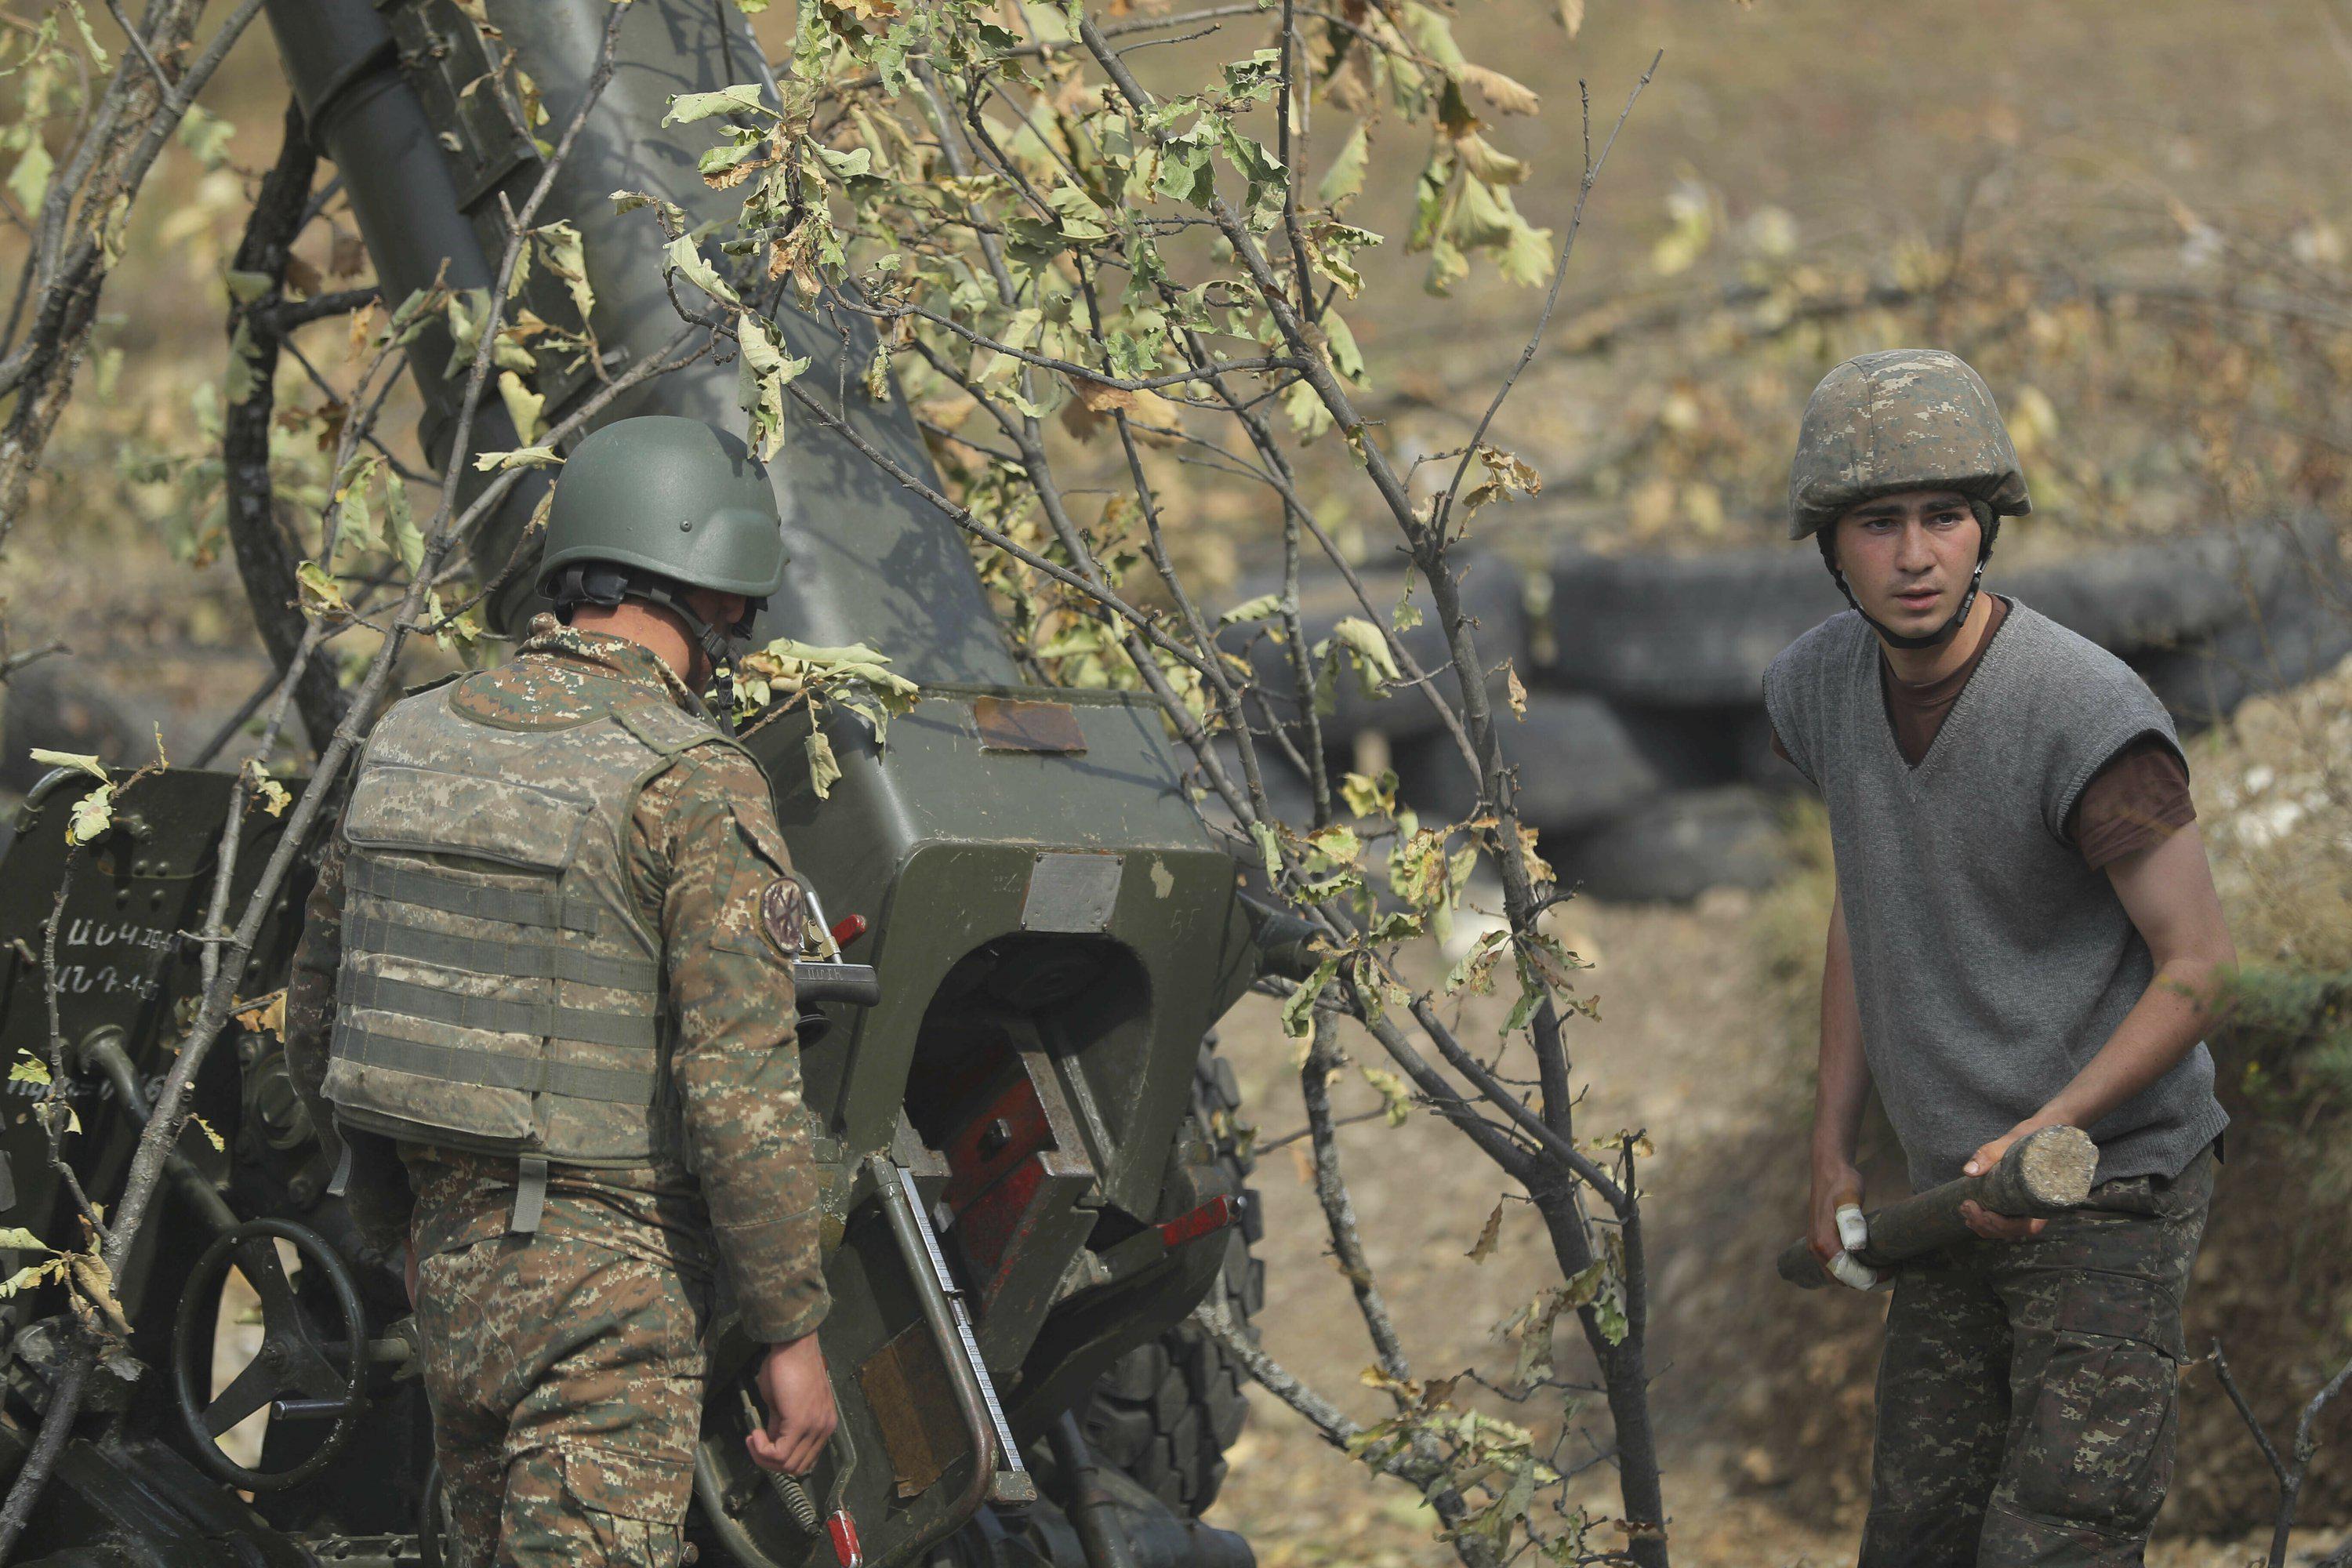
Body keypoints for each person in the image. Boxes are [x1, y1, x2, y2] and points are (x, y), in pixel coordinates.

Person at [284, 415, 835, 1566]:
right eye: (738, 605)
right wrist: (791, 1332)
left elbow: (321, 1021)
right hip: (613, 1301)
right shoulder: (691, 782)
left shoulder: (409, 742)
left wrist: (405, 1232)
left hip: (452, 1276)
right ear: (709, 595)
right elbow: (741, 1094)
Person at [1762, 350, 2236, 1567]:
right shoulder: (1814, 687)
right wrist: (1829, 1150)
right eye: (1879, 523)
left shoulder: (2083, 713)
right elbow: (1871, 906)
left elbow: (2196, 965)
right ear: (1830, 545)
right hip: (1951, 1200)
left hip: (2106, 1180)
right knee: (1916, 1537)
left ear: (1986, 532)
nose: (1916, 555)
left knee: (2057, 1542)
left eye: (1946, 517)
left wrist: (2052, 1128)